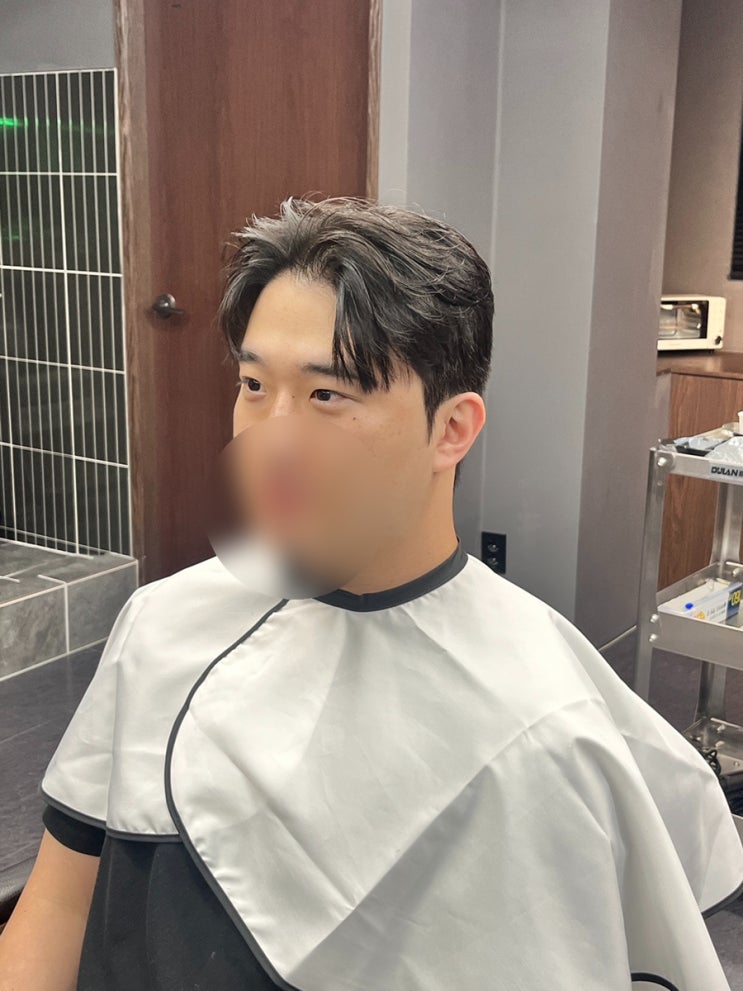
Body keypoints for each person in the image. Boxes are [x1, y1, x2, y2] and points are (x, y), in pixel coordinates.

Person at [1, 198, 741, 991]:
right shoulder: (162, 622)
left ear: (451, 429)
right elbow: (60, 907)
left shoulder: (549, 723)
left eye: (326, 395)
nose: (266, 437)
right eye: (253, 384)